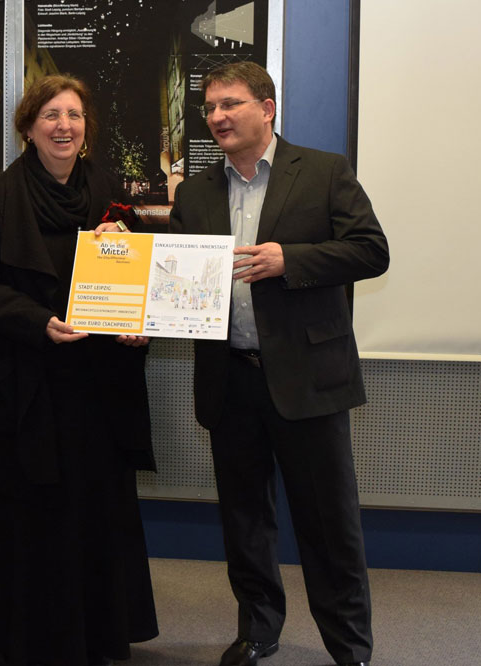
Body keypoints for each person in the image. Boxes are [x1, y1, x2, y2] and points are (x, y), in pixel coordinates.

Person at [169, 61, 389, 666]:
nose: (217, 117)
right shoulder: (194, 191)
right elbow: (183, 283)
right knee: (245, 522)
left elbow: (372, 250)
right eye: (210, 107)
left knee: (329, 525)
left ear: (267, 108)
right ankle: (258, 629)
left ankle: (350, 647)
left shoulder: (321, 171)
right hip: (229, 379)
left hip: (308, 380)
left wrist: (290, 260)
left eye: (231, 104)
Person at [0, 73, 159, 666]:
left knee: (99, 505)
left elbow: (141, 274)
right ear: (28, 127)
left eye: (73, 115)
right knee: (32, 508)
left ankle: (99, 631)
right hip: (29, 384)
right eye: (50, 115)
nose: (63, 126)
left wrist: (138, 316)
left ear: (86, 127)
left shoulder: (111, 194)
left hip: (99, 384)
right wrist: (37, 322)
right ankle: (29, 637)